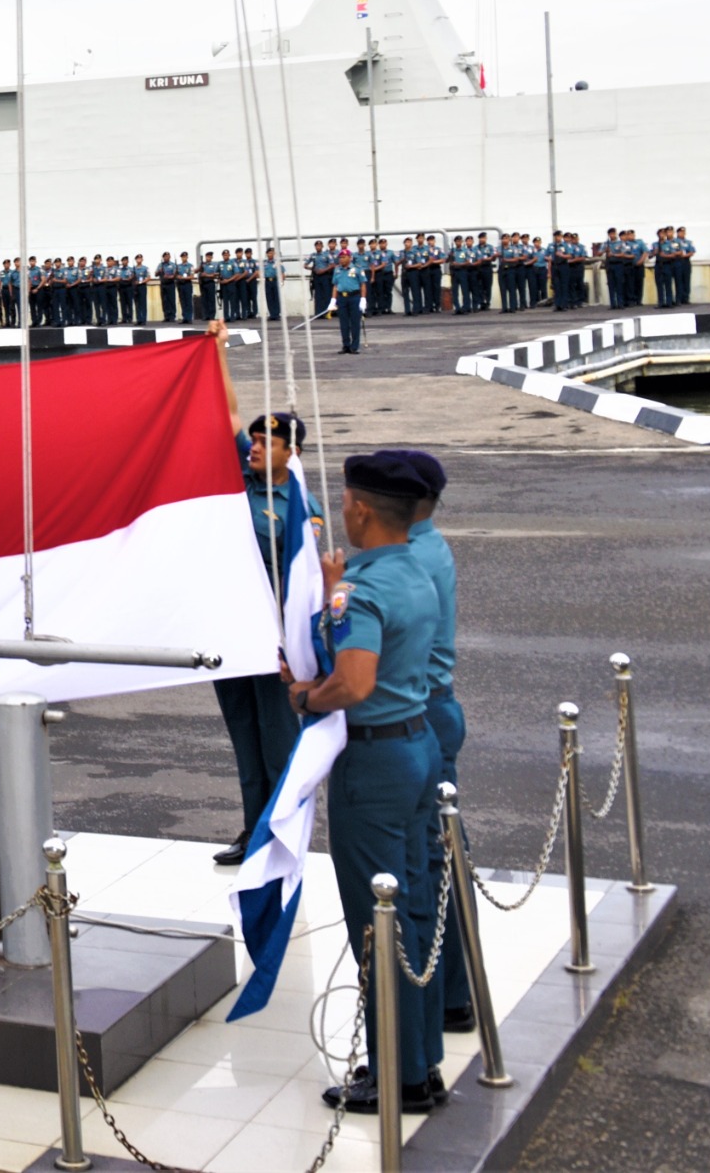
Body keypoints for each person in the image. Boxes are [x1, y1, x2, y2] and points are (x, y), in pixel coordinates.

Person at [295, 452, 446, 1116]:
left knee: (377, 921)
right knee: (412, 907)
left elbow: (353, 683)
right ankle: (420, 1059)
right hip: (416, 743)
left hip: (375, 762)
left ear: (359, 509)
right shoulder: (414, 569)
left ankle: (397, 1076)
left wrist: (306, 697)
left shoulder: (365, 588)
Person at [210, 323, 312, 866]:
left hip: (273, 642)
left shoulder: (300, 508)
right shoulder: (241, 479)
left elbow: (307, 583)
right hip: (232, 631)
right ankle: (253, 831)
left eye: (265, 443)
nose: (253, 447)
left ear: (290, 453)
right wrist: (218, 352)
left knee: (277, 740)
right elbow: (227, 414)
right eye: (252, 440)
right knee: (244, 736)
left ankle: (281, 832)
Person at [393, 448, 476, 1036]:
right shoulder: (425, 546)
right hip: (435, 707)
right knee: (439, 857)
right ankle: (451, 994)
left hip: (421, 713)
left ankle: (448, 997)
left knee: (431, 862)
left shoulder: (413, 559)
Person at [331, 251, 365, 354]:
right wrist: (333, 300)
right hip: (342, 298)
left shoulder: (357, 269)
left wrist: (363, 299)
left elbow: (363, 284)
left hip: (354, 297)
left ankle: (354, 346)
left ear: (350, 258)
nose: (341, 259)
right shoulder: (337, 270)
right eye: (340, 257)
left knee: (355, 323)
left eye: (344, 257)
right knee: (343, 323)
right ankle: (346, 345)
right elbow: (335, 285)